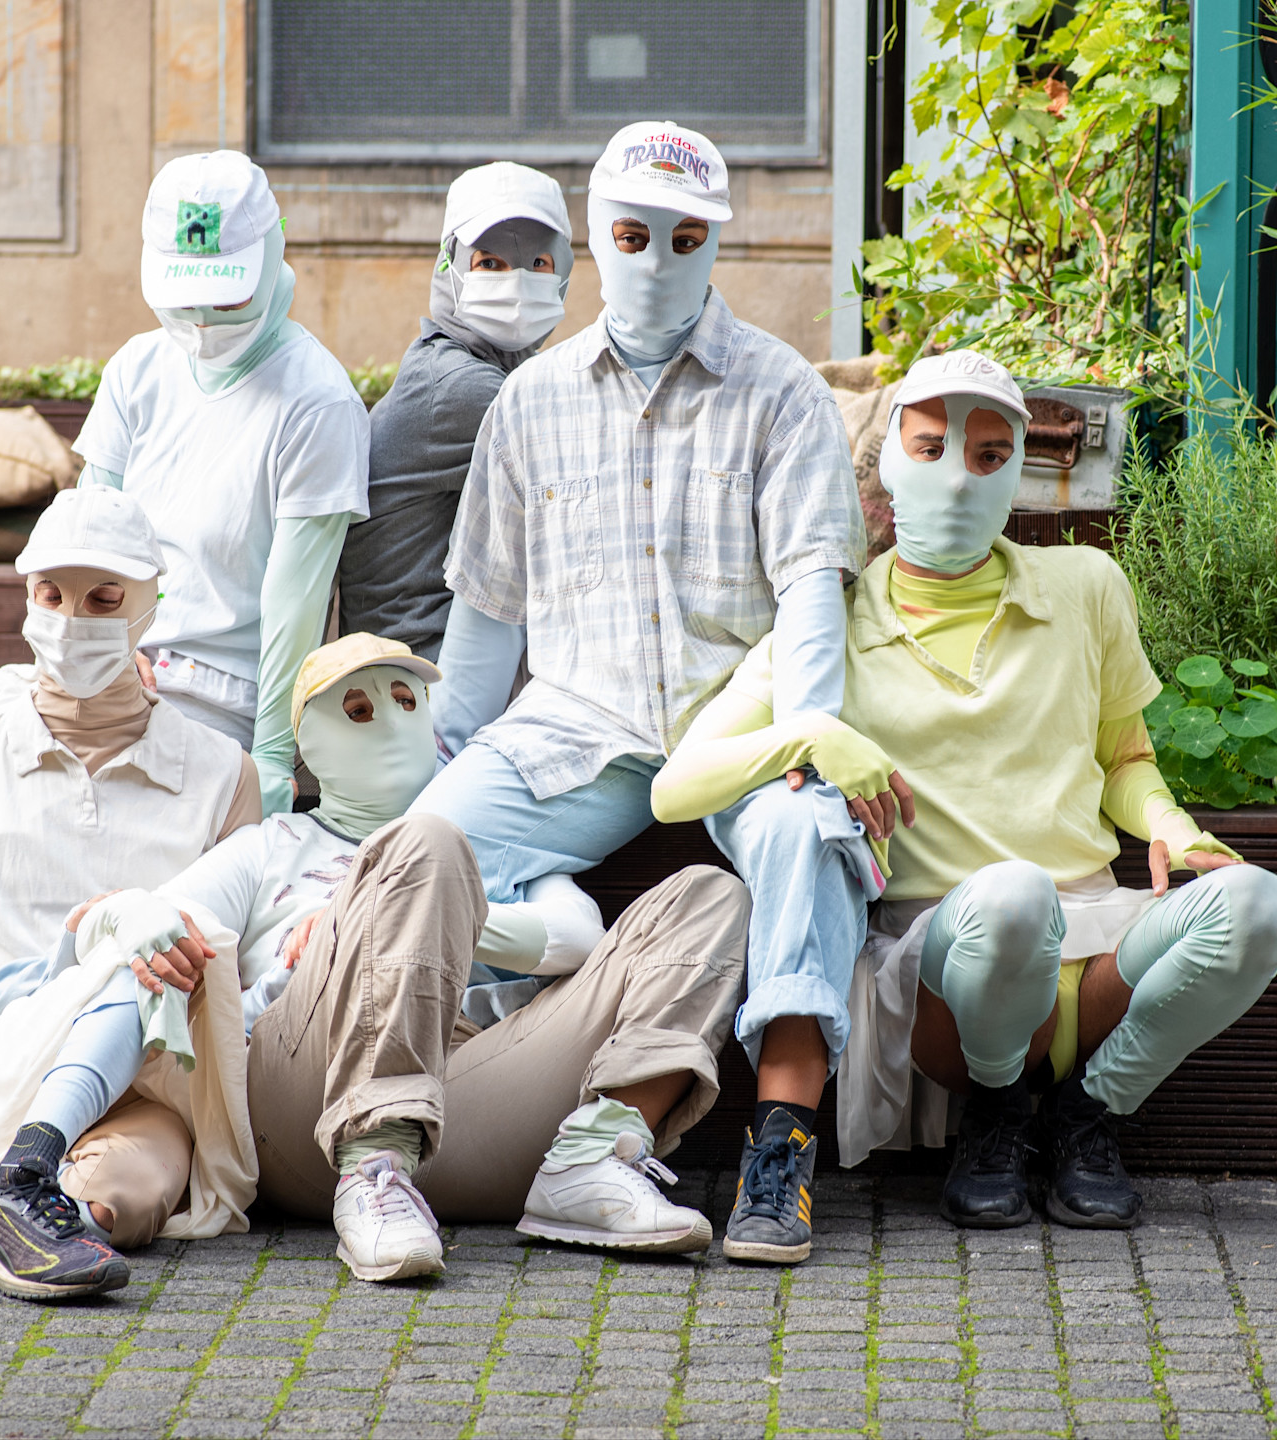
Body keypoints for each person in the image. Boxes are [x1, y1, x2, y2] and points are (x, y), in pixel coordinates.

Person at [653, 349, 1277, 1231]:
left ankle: (1089, 1112)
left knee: (1258, 905)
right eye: (932, 446)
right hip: (952, 967)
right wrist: (810, 732)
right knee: (1012, 895)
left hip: (1099, 944)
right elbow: (675, 791)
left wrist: (1173, 826)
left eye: (989, 455)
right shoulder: (832, 627)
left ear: (1019, 471)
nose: (957, 476)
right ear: (889, 462)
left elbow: (1125, 760)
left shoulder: (1086, 586)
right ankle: (995, 1113)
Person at [410, 120, 869, 1265]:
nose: (657, 258)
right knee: (427, 850)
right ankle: (429, 1108)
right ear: (595, 237)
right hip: (578, 726)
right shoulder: (531, 401)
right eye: (631, 235)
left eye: (684, 236)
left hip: (739, 728)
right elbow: (488, 615)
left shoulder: (783, 391)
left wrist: (808, 735)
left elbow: (812, 587)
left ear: (716, 241)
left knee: (808, 837)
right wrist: (445, 760)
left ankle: (780, 1149)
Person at [0, 150, 366, 1129]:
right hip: (84, 651)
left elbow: (296, 600)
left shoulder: (316, 400)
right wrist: (71, 648)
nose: (200, 319)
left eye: (223, 294)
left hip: (206, 690)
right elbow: (86, 528)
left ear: (273, 253)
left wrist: (271, 761)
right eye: (183, 294)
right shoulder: (139, 369)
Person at [24, 633, 746, 1286]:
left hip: (475, 1097)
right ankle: (373, 1163)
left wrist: (421, 907)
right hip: (307, 1104)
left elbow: (579, 939)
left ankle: (591, 1159)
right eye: (359, 710)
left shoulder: (486, 840)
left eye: (406, 701)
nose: (391, 721)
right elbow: (161, 926)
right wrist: (346, 925)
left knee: (709, 897)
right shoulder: (272, 845)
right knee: (425, 841)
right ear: (311, 743)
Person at [0, 487, 259, 1294]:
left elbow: (231, 978)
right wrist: (24, 990)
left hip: (150, 1087)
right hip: (0, 1067)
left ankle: (12, 1203)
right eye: (51, 595)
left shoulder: (223, 773)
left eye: (104, 599)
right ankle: (14, 1176)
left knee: (129, 1194)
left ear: (150, 606)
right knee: (127, 936)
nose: (72, 620)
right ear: (26, 598)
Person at [338, 162, 574, 661]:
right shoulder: (458, 388)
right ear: (449, 267)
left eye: (538, 263)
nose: (516, 281)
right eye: (490, 263)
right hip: (421, 670)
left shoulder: (473, 368)